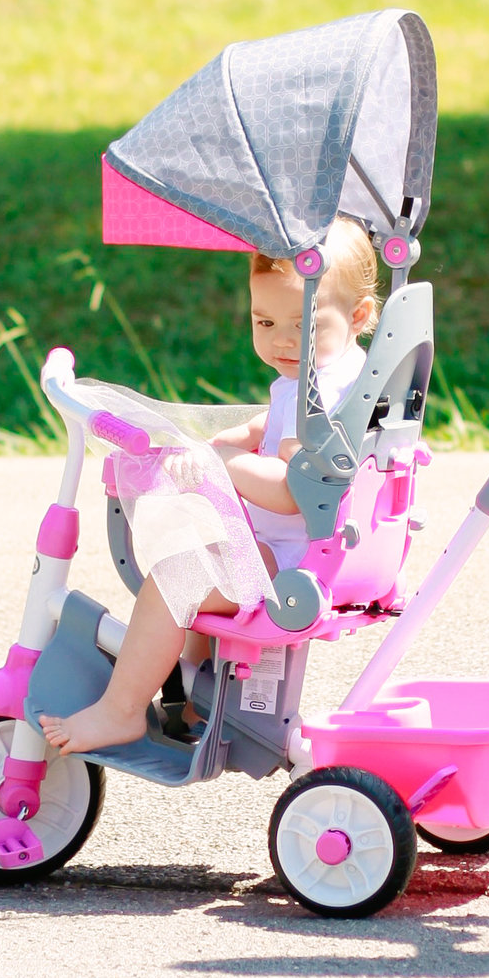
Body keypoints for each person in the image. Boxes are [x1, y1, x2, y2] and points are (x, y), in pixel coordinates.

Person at [38, 219, 381, 756]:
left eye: (302, 325)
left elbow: (293, 490)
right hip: (303, 549)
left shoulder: (319, 397)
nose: (281, 341)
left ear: (358, 315)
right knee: (199, 553)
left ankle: (122, 710)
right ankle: (194, 695)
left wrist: (219, 463)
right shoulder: (341, 374)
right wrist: (239, 436)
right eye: (263, 321)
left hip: (289, 560)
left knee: (175, 575)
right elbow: (274, 426)